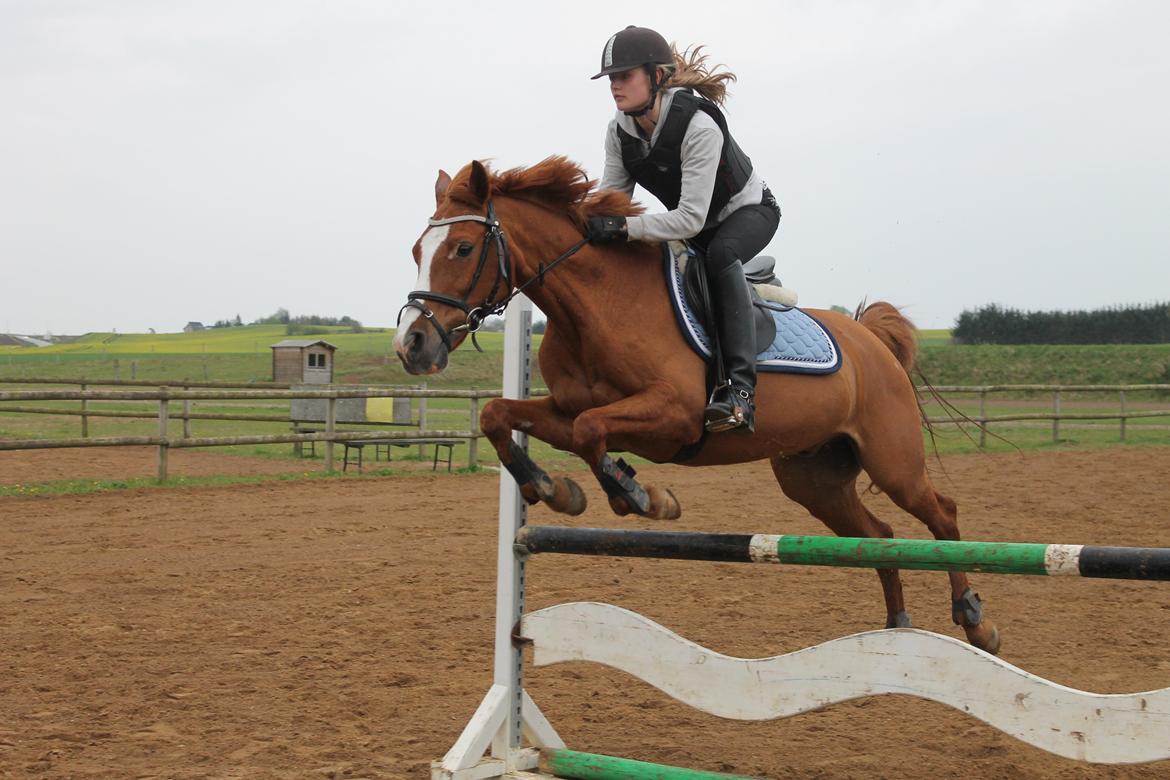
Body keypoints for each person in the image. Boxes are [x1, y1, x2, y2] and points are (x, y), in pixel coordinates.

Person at [585, 25, 780, 434]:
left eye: (624, 76)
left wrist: (621, 227)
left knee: (721, 254)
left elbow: (689, 219)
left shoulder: (699, 125)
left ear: (656, 76)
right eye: (611, 79)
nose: (615, 87)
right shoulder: (619, 131)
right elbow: (612, 201)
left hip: (748, 212)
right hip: (699, 225)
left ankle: (740, 393)